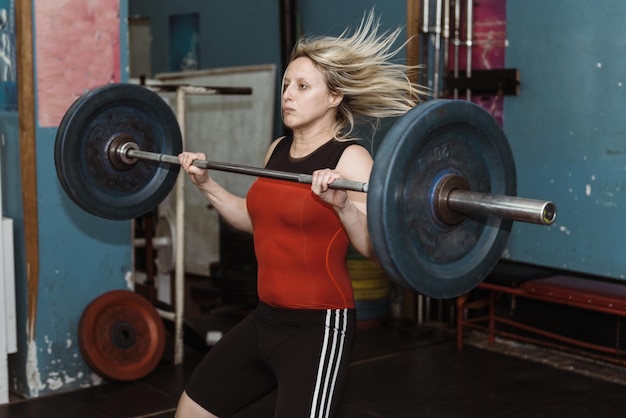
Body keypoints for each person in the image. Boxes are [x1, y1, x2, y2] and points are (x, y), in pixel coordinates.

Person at [174, 11, 426, 418]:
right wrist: (205, 184)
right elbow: (254, 220)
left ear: (333, 97)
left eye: (302, 86)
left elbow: (375, 246)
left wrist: (342, 205)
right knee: (192, 410)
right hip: (263, 319)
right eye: (286, 84)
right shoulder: (276, 150)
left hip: (318, 328)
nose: (288, 94)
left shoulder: (351, 158)